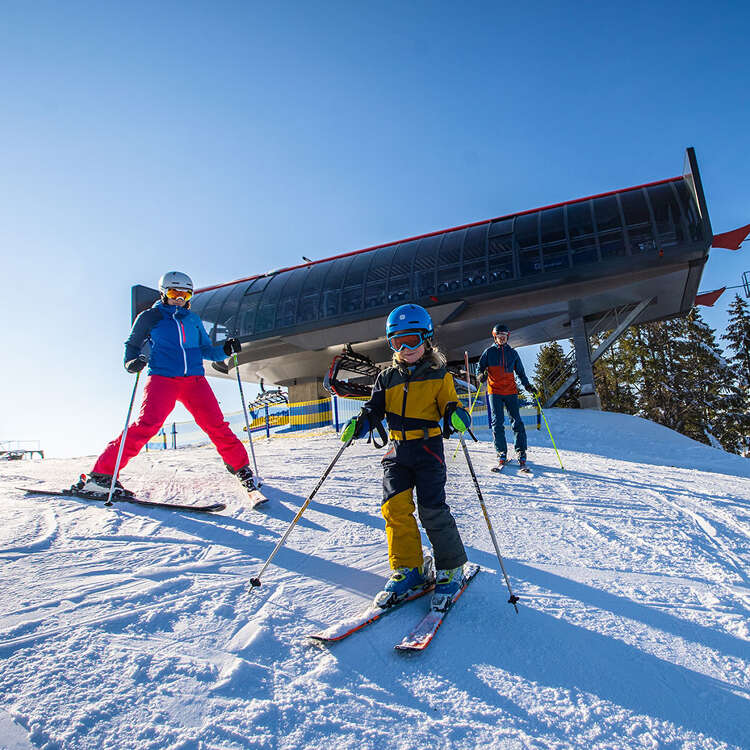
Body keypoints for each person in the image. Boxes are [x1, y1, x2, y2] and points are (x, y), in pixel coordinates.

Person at [74, 271, 259, 498]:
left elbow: (206, 351)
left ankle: (241, 468)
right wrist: (131, 363)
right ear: (164, 293)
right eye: (173, 293)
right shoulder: (149, 317)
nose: (179, 299)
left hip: (194, 380)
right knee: (146, 425)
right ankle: (101, 476)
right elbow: (132, 346)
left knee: (216, 425)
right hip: (162, 378)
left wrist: (225, 350)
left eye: (184, 294)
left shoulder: (193, 320)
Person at [342, 304, 472, 610]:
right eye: (397, 342)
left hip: (428, 450)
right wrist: (361, 423)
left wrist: (455, 414)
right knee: (394, 508)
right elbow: (374, 408)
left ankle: (451, 567)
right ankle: (409, 569)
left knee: (431, 510)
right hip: (397, 451)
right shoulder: (386, 378)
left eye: (411, 340)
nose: (405, 348)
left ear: (426, 339)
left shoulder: (439, 375)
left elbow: (449, 404)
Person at [478, 323, 535, 468]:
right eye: (499, 337)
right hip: (494, 391)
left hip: (510, 391)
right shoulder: (489, 352)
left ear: (507, 337)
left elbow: (521, 373)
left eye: (504, 337)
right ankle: (501, 452)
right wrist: (481, 376)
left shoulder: (513, 353)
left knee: (517, 421)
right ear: (494, 337)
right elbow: (480, 369)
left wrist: (528, 386)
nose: (501, 339)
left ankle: (521, 451)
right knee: (497, 422)